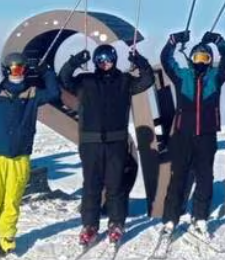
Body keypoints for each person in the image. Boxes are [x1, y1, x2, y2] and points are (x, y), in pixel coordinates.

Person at [59, 45, 154, 246]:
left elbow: (147, 80)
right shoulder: (85, 81)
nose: (104, 63)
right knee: (91, 185)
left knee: (115, 184)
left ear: (114, 60)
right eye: (100, 59)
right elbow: (64, 79)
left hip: (116, 142)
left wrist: (139, 61)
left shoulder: (124, 81)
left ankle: (116, 223)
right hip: (90, 142)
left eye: (108, 59)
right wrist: (74, 62)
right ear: (95, 61)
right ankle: (89, 225)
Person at [158, 30, 225, 240]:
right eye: (197, 58)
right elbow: (166, 60)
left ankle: (200, 216)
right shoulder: (182, 77)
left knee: (205, 178)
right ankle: (170, 218)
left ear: (210, 61)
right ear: (191, 59)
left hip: (206, 137)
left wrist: (219, 40)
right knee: (178, 178)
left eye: (205, 58)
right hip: (183, 136)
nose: (201, 62)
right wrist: (172, 41)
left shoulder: (215, 78)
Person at [0, 53, 60, 257]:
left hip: (20, 155)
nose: (17, 73)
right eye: (13, 69)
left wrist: (46, 71)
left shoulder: (33, 93)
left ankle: (6, 237)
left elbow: (54, 94)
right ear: (6, 71)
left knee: (12, 200)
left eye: (20, 69)